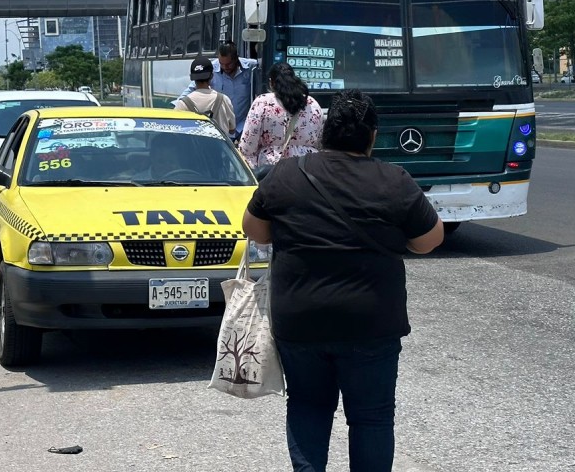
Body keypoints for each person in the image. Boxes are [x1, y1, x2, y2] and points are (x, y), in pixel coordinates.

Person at [243, 89, 444, 472]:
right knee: (371, 417)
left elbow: (254, 230)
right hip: (371, 324)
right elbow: (430, 240)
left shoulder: (287, 174)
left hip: (300, 322)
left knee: (308, 407)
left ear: (324, 132)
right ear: (371, 136)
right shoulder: (393, 181)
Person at [238, 62, 323, 170]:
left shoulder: (263, 102)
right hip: (308, 168)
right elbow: (320, 142)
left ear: (271, 82)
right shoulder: (313, 104)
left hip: (273, 169)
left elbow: (247, 146)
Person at [178, 41, 258, 142]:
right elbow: (192, 87)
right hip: (221, 129)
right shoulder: (211, 69)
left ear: (237, 59)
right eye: (222, 64)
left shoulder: (252, 67)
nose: (225, 67)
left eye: (228, 64)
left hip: (244, 127)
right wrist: (179, 104)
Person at [174, 56, 235, 136]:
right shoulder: (224, 100)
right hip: (218, 148)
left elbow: (176, 129)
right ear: (212, 76)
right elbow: (232, 130)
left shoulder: (183, 103)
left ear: (192, 78)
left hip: (193, 148)